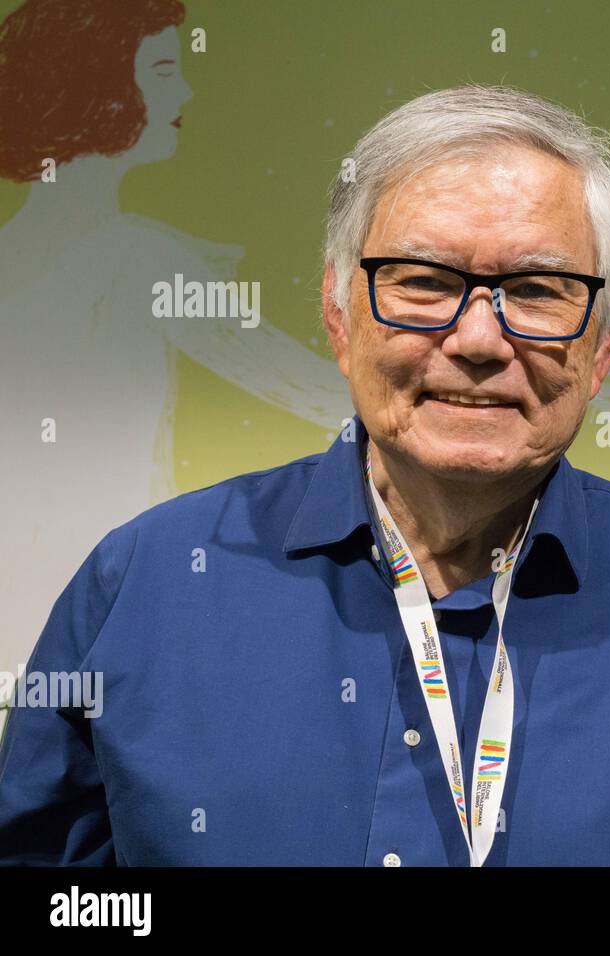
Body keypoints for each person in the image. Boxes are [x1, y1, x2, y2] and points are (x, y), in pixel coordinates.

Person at [0, 83, 610, 866]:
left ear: (606, 338)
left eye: (536, 290)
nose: (477, 339)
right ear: (337, 311)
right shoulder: (144, 585)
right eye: (425, 283)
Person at [0, 0, 352, 690]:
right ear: (99, 88)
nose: (185, 93)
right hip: (109, 618)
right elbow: (318, 387)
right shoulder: (137, 259)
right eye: (162, 70)